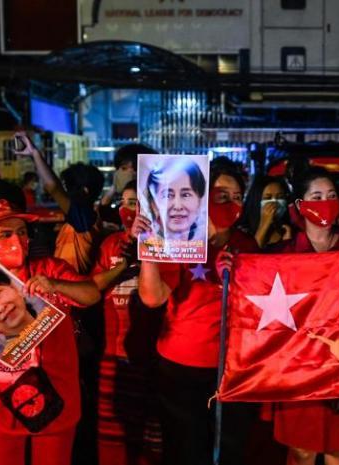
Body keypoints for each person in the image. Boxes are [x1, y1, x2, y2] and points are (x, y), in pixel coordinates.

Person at [0, 199, 101, 465]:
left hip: (58, 404)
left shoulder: (49, 270)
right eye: (5, 234)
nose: (17, 239)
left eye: (22, 232)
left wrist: (56, 286)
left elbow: (91, 294)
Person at [136, 159, 259, 465]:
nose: (229, 202)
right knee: (185, 451)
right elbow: (153, 298)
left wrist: (239, 276)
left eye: (236, 196)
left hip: (232, 371)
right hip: (182, 370)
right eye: (221, 195)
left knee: (229, 451)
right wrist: (148, 248)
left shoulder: (247, 245)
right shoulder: (180, 240)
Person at [262, 167, 339, 465]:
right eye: (317, 196)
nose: (326, 201)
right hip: (298, 369)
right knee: (301, 451)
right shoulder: (281, 254)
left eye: (332, 195)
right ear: (300, 205)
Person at [92, 180, 162, 465]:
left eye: (137, 203)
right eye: (126, 202)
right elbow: (93, 288)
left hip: (154, 357)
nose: (129, 209)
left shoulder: (168, 245)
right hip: (114, 356)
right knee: (113, 440)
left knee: (152, 440)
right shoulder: (110, 244)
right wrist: (127, 252)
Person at [13, 131, 104, 275]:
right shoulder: (85, 218)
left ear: (84, 191)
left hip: (73, 291)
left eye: (69, 188)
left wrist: (35, 154)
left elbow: (54, 187)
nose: (66, 194)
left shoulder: (84, 218)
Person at [141, 157, 206, 245]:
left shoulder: (208, 245)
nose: (178, 206)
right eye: (167, 195)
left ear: (199, 202)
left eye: (186, 195)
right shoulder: (143, 245)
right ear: (153, 204)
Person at [239, 176, 292, 248]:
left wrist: (287, 243)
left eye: (280, 197)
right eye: (268, 198)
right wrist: (264, 225)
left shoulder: (290, 230)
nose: (274, 202)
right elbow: (250, 255)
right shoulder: (242, 232)